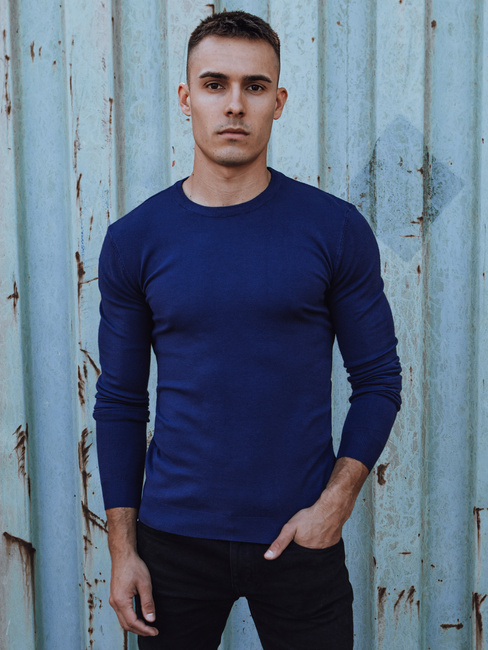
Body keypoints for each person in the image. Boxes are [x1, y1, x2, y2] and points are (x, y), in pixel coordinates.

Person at [94, 10, 402, 650]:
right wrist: (123, 549)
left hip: (300, 536)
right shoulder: (135, 240)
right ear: (187, 98)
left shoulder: (334, 229)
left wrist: (335, 506)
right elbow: (120, 401)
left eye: (254, 87)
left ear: (278, 102)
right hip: (173, 542)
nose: (234, 104)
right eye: (215, 84)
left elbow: (378, 379)